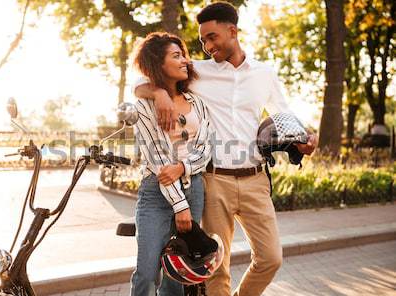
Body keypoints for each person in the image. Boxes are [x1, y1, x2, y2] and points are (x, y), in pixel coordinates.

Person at [134, 2, 318, 296]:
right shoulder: (198, 72)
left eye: (211, 37)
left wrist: (307, 136)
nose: (206, 46)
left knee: (271, 258)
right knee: (216, 270)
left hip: (256, 180)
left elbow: (286, 116)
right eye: (202, 40)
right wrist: (158, 94)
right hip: (214, 180)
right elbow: (144, 80)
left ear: (232, 31)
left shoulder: (264, 74)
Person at [130, 32, 212, 296]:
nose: (185, 61)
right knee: (146, 273)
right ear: (158, 62)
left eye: (184, 55)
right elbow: (157, 159)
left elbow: (206, 148)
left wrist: (184, 168)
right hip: (156, 193)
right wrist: (180, 205)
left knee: (177, 274)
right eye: (176, 56)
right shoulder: (143, 105)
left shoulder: (197, 103)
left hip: (194, 188)